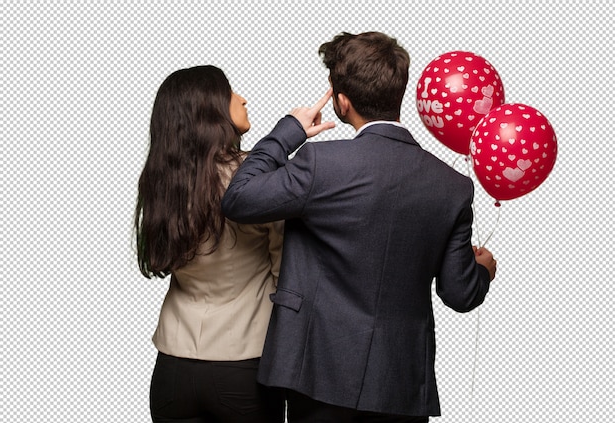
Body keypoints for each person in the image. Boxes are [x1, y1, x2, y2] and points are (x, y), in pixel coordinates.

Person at [221, 32, 497, 422]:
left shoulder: (320, 163)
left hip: (317, 374)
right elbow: (459, 292)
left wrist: (288, 132)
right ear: (398, 92)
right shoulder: (453, 186)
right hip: (400, 384)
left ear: (342, 101)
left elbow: (238, 199)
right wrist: (483, 271)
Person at [134, 65, 285, 422]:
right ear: (209, 108)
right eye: (230, 91)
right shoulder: (254, 179)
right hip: (242, 365)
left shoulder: (164, 182)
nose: (243, 98)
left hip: (172, 367)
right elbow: (287, 275)